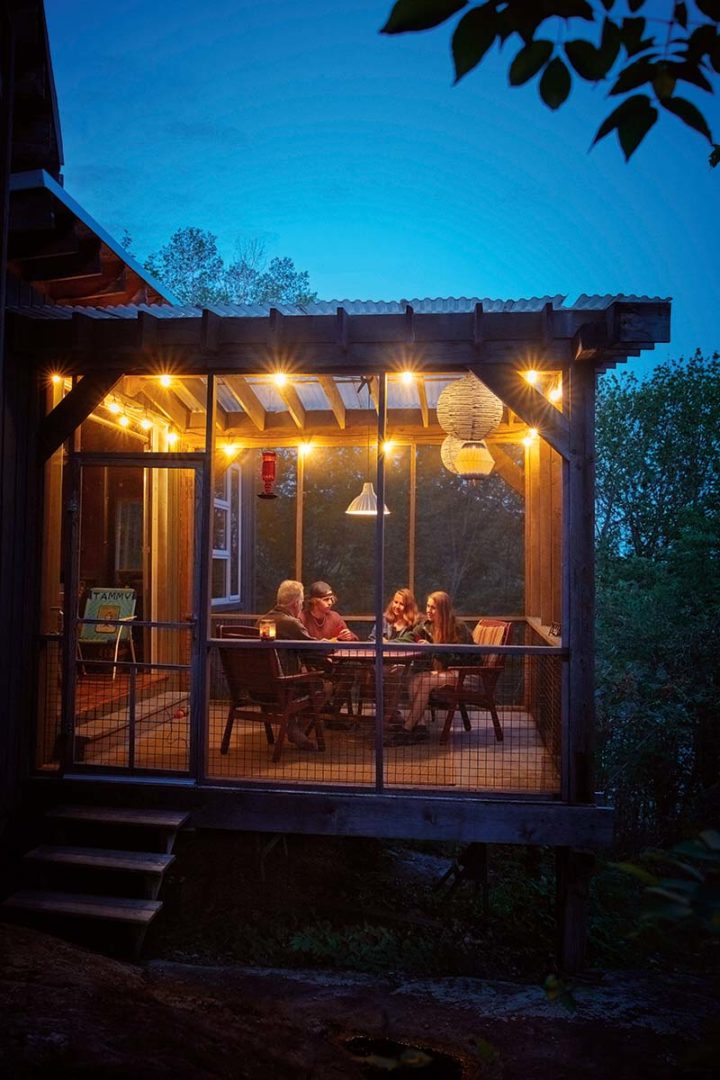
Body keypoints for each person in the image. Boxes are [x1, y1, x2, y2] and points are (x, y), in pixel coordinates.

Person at [386, 590, 472, 746]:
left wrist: (433, 648)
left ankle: (405, 730)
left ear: (443, 609)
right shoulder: (426, 626)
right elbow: (409, 638)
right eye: (427, 606)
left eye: (433, 607)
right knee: (415, 680)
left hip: (462, 672)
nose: (428, 611)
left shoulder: (458, 627)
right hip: (442, 672)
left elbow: (464, 657)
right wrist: (387, 644)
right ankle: (420, 727)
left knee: (425, 683)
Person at [257, 579, 324, 750]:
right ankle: (295, 729)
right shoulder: (290, 623)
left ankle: (293, 726)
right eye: (301, 603)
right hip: (283, 687)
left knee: (303, 680)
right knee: (323, 686)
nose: (302, 607)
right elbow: (316, 649)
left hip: (258, 688)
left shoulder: (261, 622)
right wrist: (327, 643)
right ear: (295, 603)